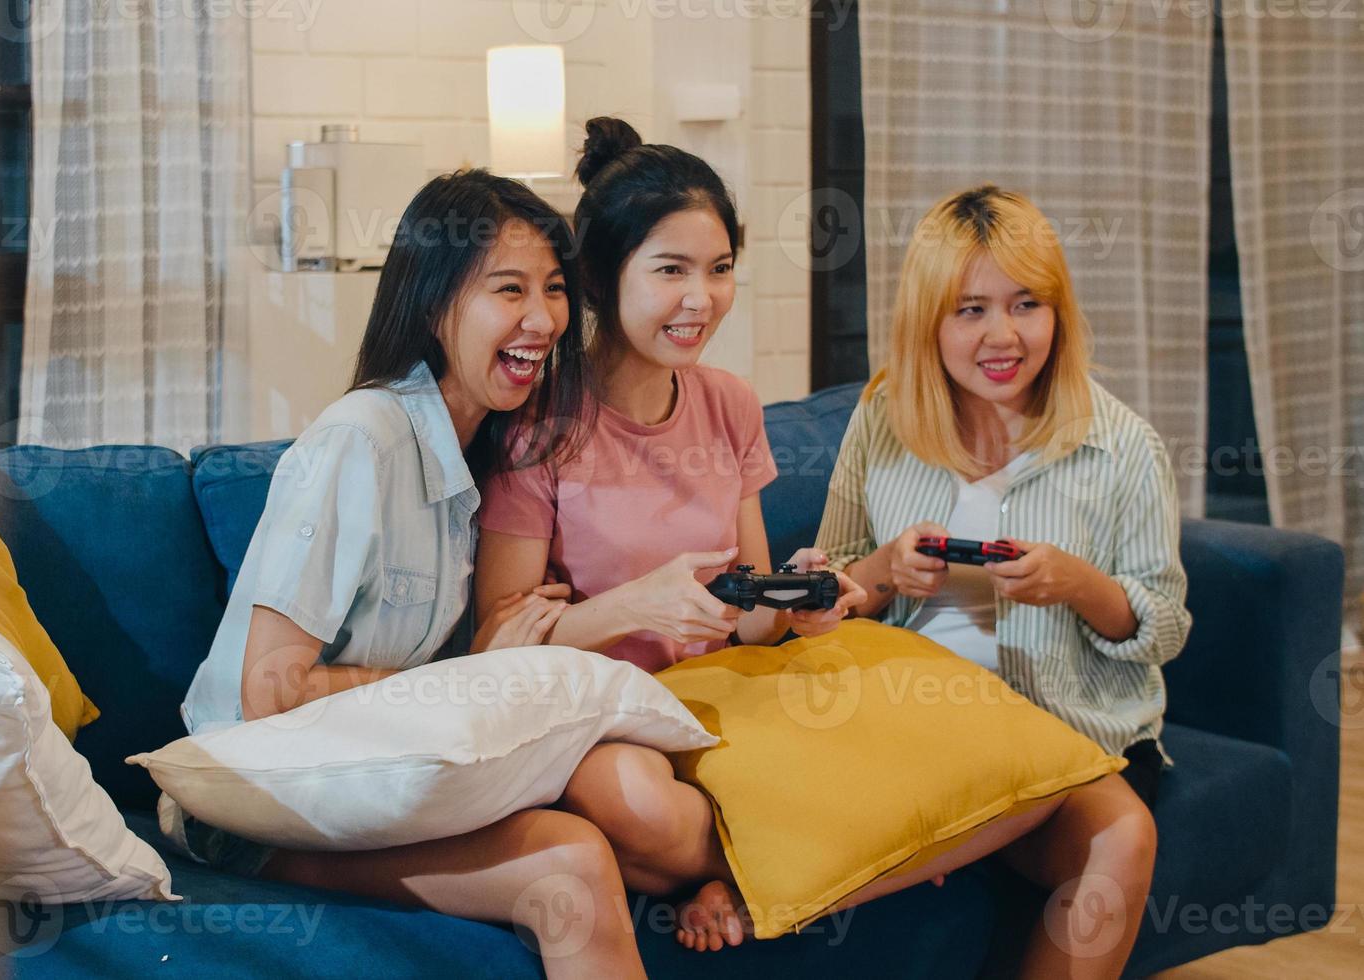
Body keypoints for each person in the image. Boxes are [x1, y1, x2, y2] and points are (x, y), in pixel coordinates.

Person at [475, 119, 1055, 953]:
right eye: (670, 270)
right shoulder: (539, 424)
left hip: (732, 697)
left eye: (718, 271)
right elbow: (498, 636)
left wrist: (797, 597)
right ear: (601, 275)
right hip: (609, 719)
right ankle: (838, 857)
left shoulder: (728, 404)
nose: (700, 299)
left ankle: (766, 872)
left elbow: (751, 615)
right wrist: (634, 608)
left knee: (997, 747)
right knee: (627, 802)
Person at [176, 169, 644, 978]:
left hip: (380, 783)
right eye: (510, 289)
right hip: (258, 804)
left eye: (556, 290)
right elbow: (272, 690)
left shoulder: (482, 454)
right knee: (569, 866)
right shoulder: (361, 442)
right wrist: (467, 682)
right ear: (434, 306)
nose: (543, 319)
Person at [818, 183, 1190, 976]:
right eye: (970, 309)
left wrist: (1079, 584)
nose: (1004, 335)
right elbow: (828, 590)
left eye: (1027, 304)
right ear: (931, 321)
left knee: (1122, 836)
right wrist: (884, 572)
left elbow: (1164, 627)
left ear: (1058, 313)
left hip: (1062, 732)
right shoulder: (885, 419)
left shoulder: (1123, 445)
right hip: (911, 722)